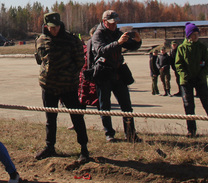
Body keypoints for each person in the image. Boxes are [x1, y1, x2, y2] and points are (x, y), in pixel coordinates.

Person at [34, 12, 89, 161]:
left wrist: (68, 74)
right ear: (46, 26)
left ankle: (84, 149)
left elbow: (80, 61)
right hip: (48, 86)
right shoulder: (40, 41)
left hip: (68, 86)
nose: (55, 29)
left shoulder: (71, 40)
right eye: (52, 27)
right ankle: (49, 147)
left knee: (77, 117)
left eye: (57, 26)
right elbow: (39, 60)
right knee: (50, 119)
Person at [90, 10, 142, 143]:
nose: (114, 25)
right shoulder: (98, 34)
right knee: (105, 106)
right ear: (104, 22)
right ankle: (109, 133)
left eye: (116, 23)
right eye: (112, 23)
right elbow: (100, 51)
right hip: (103, 73)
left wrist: (137, 41)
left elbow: (130, 45)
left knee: (126, 106)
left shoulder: (117, 33)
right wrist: (118, 43)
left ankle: (130, 134)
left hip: (118, 73)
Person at [174, 23, 208, 137]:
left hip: (200, 80)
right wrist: (186, 76)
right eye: (193, 34)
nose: (196, 36)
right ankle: (191, 131)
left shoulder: (202, 47)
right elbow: (178, 65)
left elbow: (207, 64)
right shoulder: (182, 48)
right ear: (188, 35)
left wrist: (201, 76)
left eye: (197, 34)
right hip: (186, 82)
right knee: (189, 106)